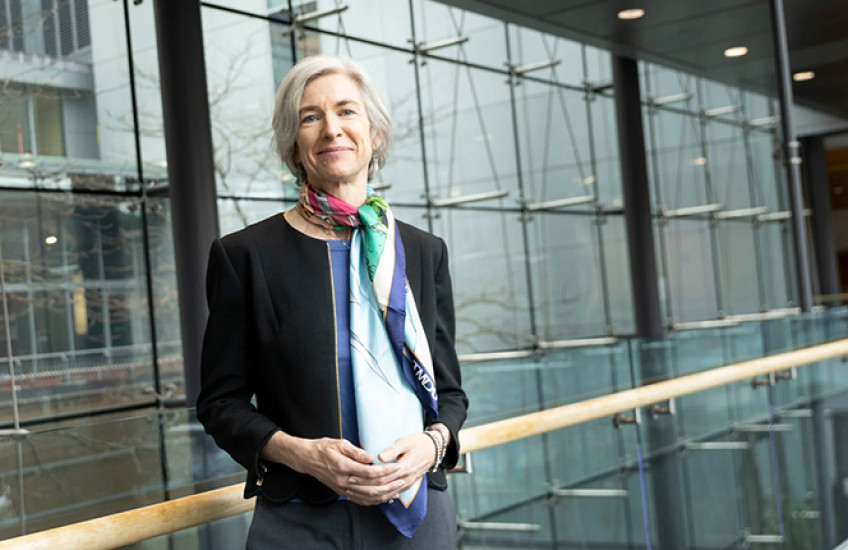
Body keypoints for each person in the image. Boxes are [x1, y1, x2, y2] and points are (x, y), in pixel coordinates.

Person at [196, 54, 468, 549]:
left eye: (347, 111)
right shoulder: (246, 256)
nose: (331, 130)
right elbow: (220, 404)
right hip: (299, 523)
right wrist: (302, 454)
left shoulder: (423, 252)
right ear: (295, 146)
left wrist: (432, 445)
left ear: (375, 134)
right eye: (310, 117)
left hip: (418, 516)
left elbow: (449, 396)